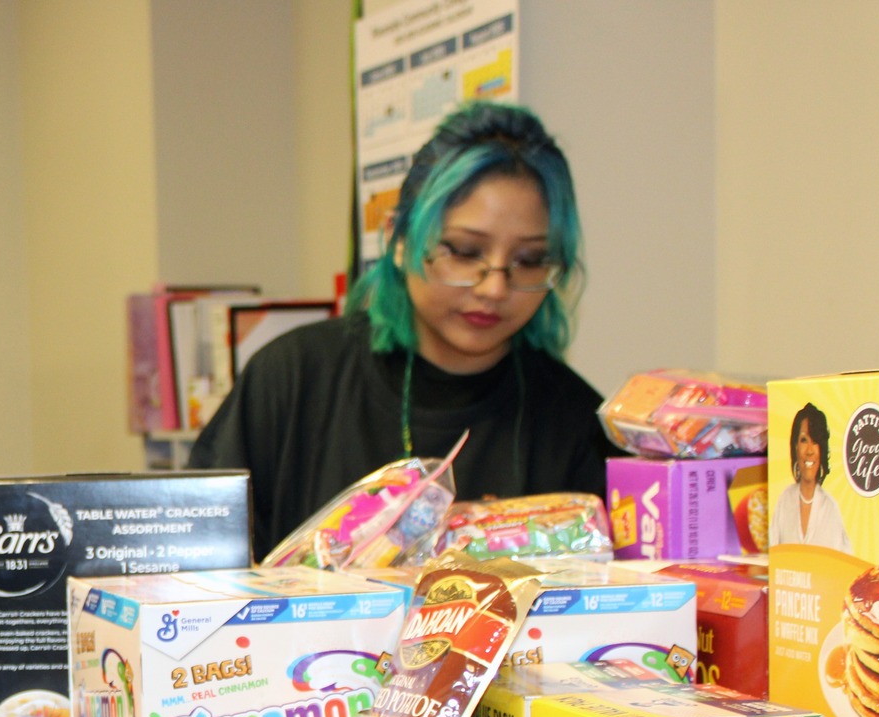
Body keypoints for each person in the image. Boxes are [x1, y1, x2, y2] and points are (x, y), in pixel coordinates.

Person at [189, 103, 618, 562]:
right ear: (398, 239)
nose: (495, 287)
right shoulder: (293, 379)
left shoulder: (576, 424)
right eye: (464, 251)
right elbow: (193, 565)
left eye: (529, 261)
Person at [771, 402, 853, 551]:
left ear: (822, 449)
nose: (809, 450)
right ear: (795, 446)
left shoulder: (830, 507)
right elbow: (773, 553)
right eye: (804, 440)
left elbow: (843, 563)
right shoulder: (784, 500)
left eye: (815, 442)